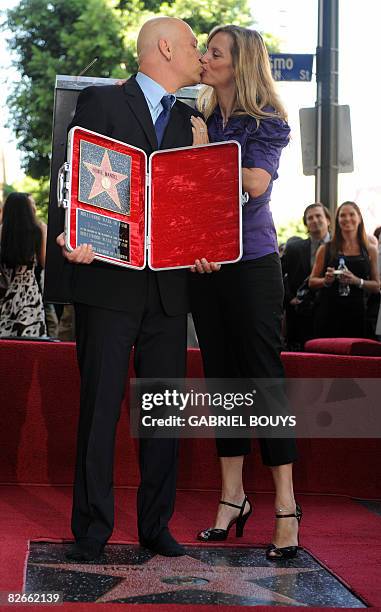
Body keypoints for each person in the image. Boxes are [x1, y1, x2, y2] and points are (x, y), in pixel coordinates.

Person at [56, 16, 215, 561]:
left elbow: (196, 205)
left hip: (171, 291)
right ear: (165, 47)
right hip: (106, 282)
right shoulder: (101, 102)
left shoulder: (195, 120)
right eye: (195, 45)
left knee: (162, 414)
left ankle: (155, 526)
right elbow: (72, 178)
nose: (200, 55)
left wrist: (204, 243)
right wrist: (69, 235)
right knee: (100, 410)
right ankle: (93, 530)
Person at [189, 25, 300, 560]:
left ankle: (285, 506)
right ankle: (232, 497)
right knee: (223, 382)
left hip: (253, 263)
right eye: (205, 50)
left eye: (214, 52)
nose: (204, 57)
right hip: (204, 265)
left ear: (241, 64)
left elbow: (256, 182)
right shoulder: (199, 116)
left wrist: (207, 153)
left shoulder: (267, 122)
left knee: (263, 378)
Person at [309, 201, 380, 338]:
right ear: (337, 220)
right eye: (343, 215)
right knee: (327, 357)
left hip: (358, 314)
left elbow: (377, 286)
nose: (347, 219)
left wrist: (357, 281)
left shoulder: (370, 250)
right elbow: (311, 282)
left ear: (359, 218)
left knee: (355, 357)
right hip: (328, 313)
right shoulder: (325, 249)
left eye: (351, 214)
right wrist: (326, 280)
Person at [282, 203, 331, 350]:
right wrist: (290, 298)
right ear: (306, 224)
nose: (315, 220)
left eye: (318, 216)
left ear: (328, 220)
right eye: (310, 218)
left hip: (332, 312)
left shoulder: (341, 246)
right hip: (301, 315)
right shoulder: (293, 249)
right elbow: (278, 275)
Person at [0, 192, 47, 337]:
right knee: (32, 342)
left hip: (5, 295)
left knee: (6, 342)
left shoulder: (2, 232)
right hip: (29, 294)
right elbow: (44, 262)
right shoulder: (38, 230)